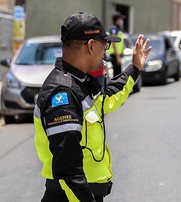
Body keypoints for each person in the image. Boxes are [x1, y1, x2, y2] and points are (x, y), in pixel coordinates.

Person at [33, 11, 151, 202]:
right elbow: (69, 171)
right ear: (91, 45)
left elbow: (109, 98)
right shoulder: (62, 94)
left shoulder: (78, 84)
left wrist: (135, 67)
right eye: (105, 45)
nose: (105, 52)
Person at [107, 12, 126, 77]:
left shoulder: (118, 29)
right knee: (117, 75)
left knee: (118, 73)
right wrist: (118, 57)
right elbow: (113, 43)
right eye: (121, 19)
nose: (122, 21)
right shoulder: (113, 29)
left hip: (117, 55)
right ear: (117, 20)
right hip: (114, 55)